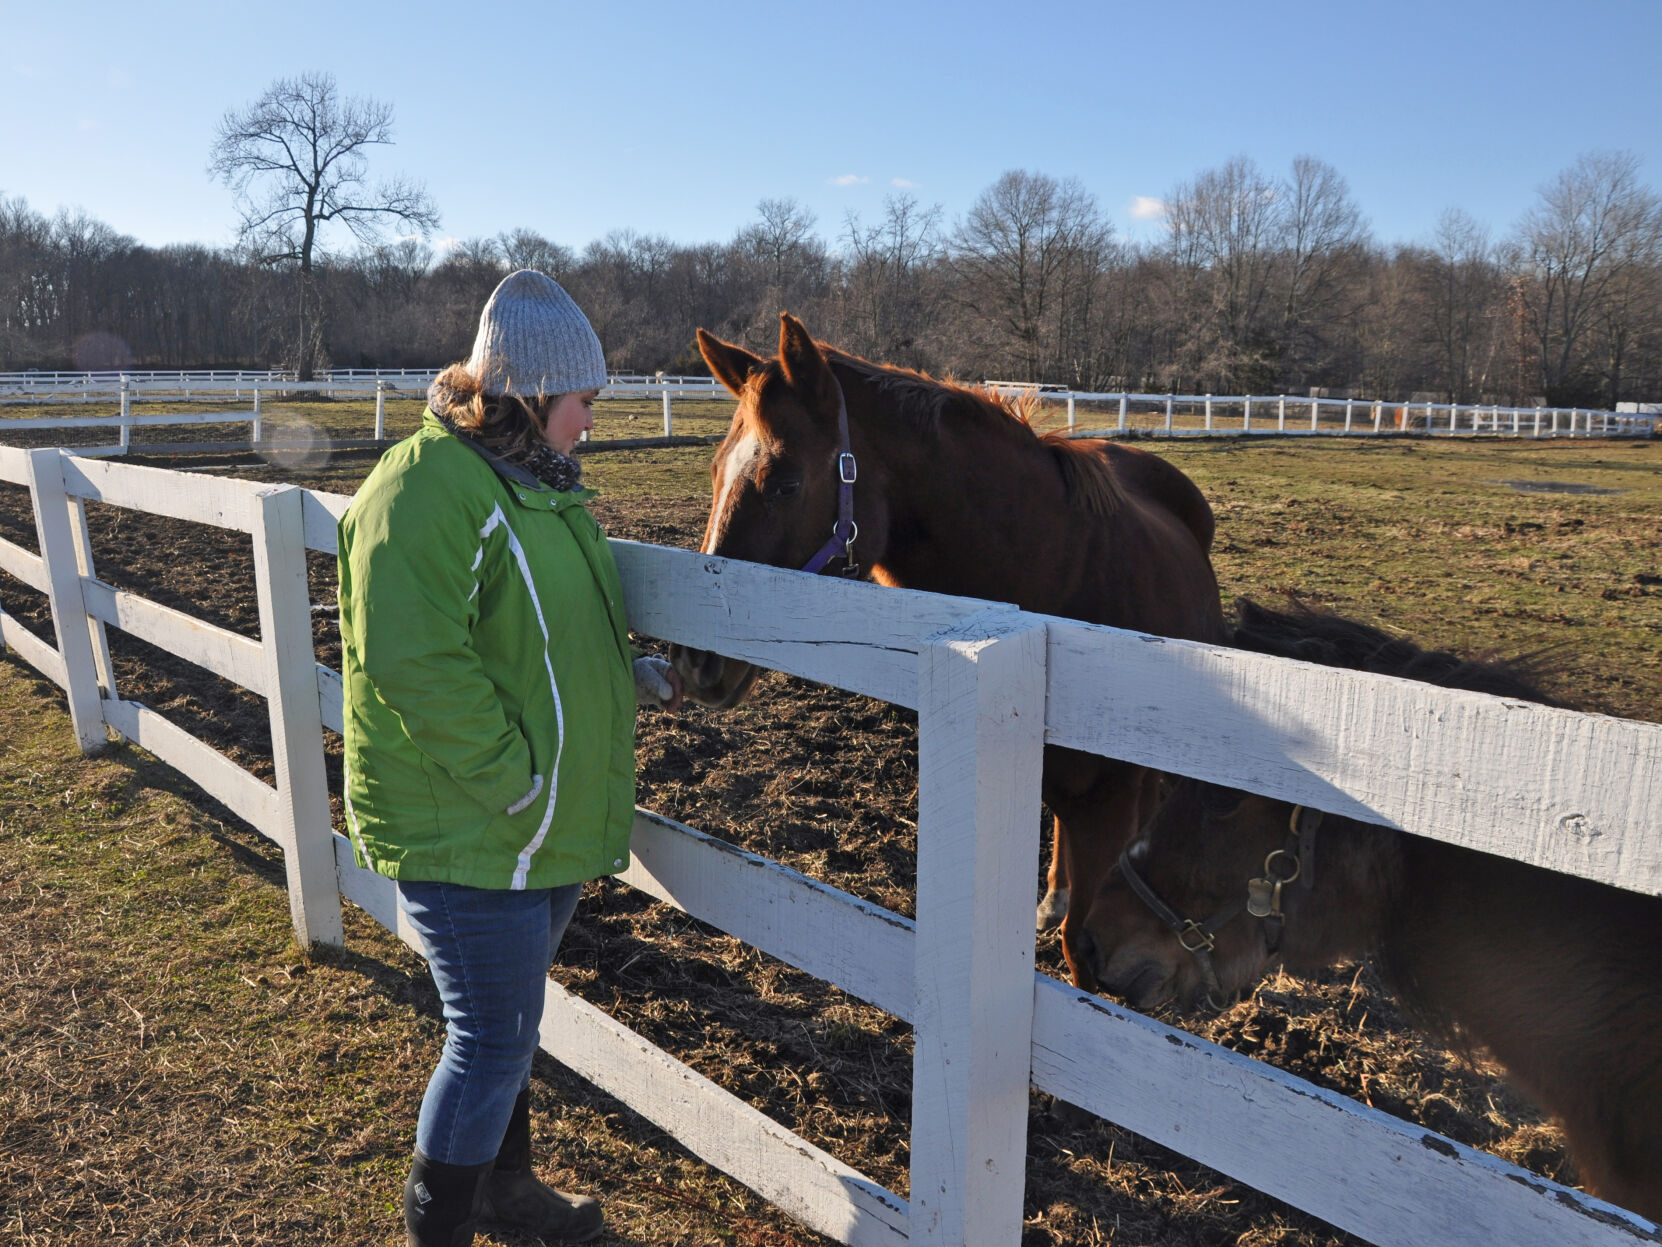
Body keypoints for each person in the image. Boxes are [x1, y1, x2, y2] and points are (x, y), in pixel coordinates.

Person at [337, 269, 681, 1246]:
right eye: (584, 402)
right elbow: (418, 663)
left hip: (525, 826)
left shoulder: (536, 488)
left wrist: (631, 673)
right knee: (490, 1039)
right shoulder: (424, 488)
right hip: (475, 823)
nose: (591, 422)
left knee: (507, 1027)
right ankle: (437, 1228)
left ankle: (502, 1188)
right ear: (533, 394)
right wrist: (517, 788)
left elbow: (542, 631)